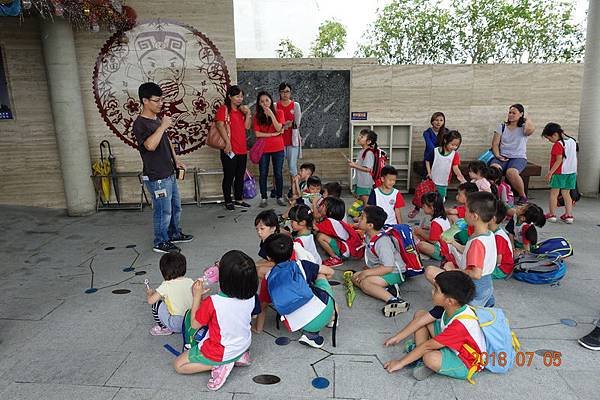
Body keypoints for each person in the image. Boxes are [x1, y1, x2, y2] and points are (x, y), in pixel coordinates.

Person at [172, 250, 259, 391]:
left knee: (179, 365)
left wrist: (196, 296)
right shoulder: (252, 296)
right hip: (243, 342)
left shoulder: (213, 302)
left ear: (224, 278)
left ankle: (221, 364)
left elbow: (194, 324)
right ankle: (238, 356)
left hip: (221, 351)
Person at [383, 271, 485, 382]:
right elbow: (420, 321)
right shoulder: (449, 306)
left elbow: (428, 346)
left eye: (436, 290)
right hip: (451, 343)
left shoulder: (460, 325)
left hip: (465, 361)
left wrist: (400, 363)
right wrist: (397, 337)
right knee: (420, 315)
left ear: (450, 301)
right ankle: (419, 356)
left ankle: (422, 359)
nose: (432, 292)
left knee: (430, 358)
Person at [133, 82, 193, 253]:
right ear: (145, 101)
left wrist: (176, 161)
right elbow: (150, 146)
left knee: (175, 207)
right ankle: (160, 241)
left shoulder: (156, 119)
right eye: (156, 100)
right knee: (163, 210)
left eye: (161, 100)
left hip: (168, 172)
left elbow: (165, 142)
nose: (161, 103)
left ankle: (174, 233)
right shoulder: (140, 123)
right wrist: (163, 126)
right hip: (157, 176)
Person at [426, 192, 498, 308]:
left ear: (474, 216)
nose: (463, 214)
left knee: (430, 271)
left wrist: (454, 271)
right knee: (446, 266)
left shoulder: (477, 242)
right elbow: (470, 252)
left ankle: (460, 305)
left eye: (466, 210)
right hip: (486, 288)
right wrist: (453, 243)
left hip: (474, 290)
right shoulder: (488, 235)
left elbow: (476, 273)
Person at [264, 234, 335, 348]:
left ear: (268, 257)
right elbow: (330, 272)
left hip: (296, 324)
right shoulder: (300, 265)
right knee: (321, 274)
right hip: (323, 313)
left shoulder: (269, 276)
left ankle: (311, 335)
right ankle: (331, 316)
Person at [353, 205, 409, 317]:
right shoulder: (370, 234)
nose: (358, 218)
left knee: (365, 282)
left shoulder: (382, 242)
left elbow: (388, 267)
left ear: (370, 225)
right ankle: (388, 289)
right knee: (355, 277)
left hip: (395, 272)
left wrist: (367, 273)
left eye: (362, 217)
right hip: (383, 269)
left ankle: (394, 300)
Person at [215, 85, 253, 211]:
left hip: (242, 148)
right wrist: (227, 143)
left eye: (241, 96)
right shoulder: (224, 109)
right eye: (237, 96)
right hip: (229, 149)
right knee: (229, 175)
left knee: (240, 175)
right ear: (230, 97)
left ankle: (239, 199)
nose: (240, 99)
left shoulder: (241, 111)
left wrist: (248, 114)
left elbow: (247, 127)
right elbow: (220, 126)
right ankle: (228, 200)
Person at [490, 104, 536, 205]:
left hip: (518, 157)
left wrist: (526, 119)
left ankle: (523, 196)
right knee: (493, 169)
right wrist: (498, 156)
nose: (511, 115)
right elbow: (495, 144)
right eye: (510, 112)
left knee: (511, 172)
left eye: (514, 113)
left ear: (521, 114)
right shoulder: (502, 127)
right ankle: (494, 195)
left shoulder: (524, 128)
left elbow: (530, 130)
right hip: (502, 156)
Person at [408, 112, 450, 219]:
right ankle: (417, 208)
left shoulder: (447, 132)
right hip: (429, 161)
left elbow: (450, 146)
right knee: (422, 188)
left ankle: (438, 210)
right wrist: (439, 152)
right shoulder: (427, 132)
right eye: (436, 120)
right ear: (432, 121)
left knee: (439, 189)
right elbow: (431, 147)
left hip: (442, 162)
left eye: (441, 120)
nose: (438, 122)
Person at [146, 252, 194, 335]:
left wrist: (150, 293)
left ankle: (164, 328)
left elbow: (151, 301)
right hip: (192, 321)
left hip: (176, 324)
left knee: (156, 304)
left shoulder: (166, 285)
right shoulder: (190, 281)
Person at [253, 91, 286, 208]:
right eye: (262, 101)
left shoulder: (279, 113)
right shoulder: (257, 116)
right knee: (263, 173)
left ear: (271, 101)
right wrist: (273, 135)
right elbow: (257, 134)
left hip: (278, 147)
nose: (265, 103)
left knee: (278, 173)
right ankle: (263, 197)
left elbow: (278, 127)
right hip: (264, 149)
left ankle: (279, 196)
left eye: (267, 100)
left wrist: (272, 114)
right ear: (259, 104)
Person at [541, 122, 578, 224]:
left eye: (549, 138)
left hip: (559, 172)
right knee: (566, 194)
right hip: (571, 172)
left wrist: (550, 173)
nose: (550, 141)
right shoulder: (572, 141)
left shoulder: (558, 144)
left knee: (554, 194)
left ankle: (552, 214)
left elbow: (558, 160)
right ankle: (569, 215)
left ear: (555, 135)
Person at [275, 82, 302, 196]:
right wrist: (285, 125)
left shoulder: (295, 105)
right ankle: (277, 190)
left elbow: (297, 122)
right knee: (278, 166)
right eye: (282, 92)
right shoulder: (276, 105)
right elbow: (274, 123)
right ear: (279, 93)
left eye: (287, 91)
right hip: (279, 140)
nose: (285, 94)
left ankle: (294, 189)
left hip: (292, 141)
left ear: (290, 92)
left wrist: (286, 125)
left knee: (292, 167)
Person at [428, 130, 467, 200]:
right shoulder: (435, 151)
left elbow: (455, 168)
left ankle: (439, 210)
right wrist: (429, 172)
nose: (454, 147)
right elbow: (427, 161)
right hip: (432, 179)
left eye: (456, 145)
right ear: (445, 140)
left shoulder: (455, 155)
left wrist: (461, 178)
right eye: (452, 144)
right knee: (430, 198)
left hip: (444, 181)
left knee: (441, 198)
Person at [414, 192, 450, 261]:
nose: (422, 207)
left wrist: (421, 233)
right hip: (443, 245)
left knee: (421, 245)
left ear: (431, 207)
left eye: (424, 206)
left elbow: (433, 240)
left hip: (442, 251)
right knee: (419, 233)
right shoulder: (441, 217)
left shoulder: (436, 222)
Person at [348, 129, 378, 207]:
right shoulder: (362, 151)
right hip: (361, 181)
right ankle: (362, 216)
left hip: (365, 183)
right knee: (360, 201)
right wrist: (354, 164)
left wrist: (354, 165)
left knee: (366, 204)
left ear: (368, 141)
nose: (359, 137)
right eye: (359, 135)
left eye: (362, 136)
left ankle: (367, 218)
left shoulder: (369, 153)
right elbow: (361, 165)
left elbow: (368, 169)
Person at [490, 202, 514, 279]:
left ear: (493, 219)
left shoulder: (498, 236)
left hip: (502, 269)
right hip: (501, 266)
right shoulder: (496, 231)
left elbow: (498, 259)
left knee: (481, 273)